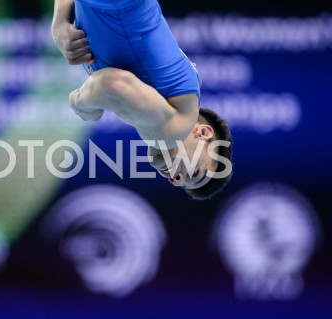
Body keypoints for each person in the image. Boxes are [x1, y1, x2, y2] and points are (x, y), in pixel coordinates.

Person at [51, 0, 233, 199]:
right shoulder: (173, 130)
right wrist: (81, 104)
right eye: (193, 171)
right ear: (203, 132)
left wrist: (59, 24)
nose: (176, 179)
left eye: (178, 183)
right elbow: (110, 85)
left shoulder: (169, 96)